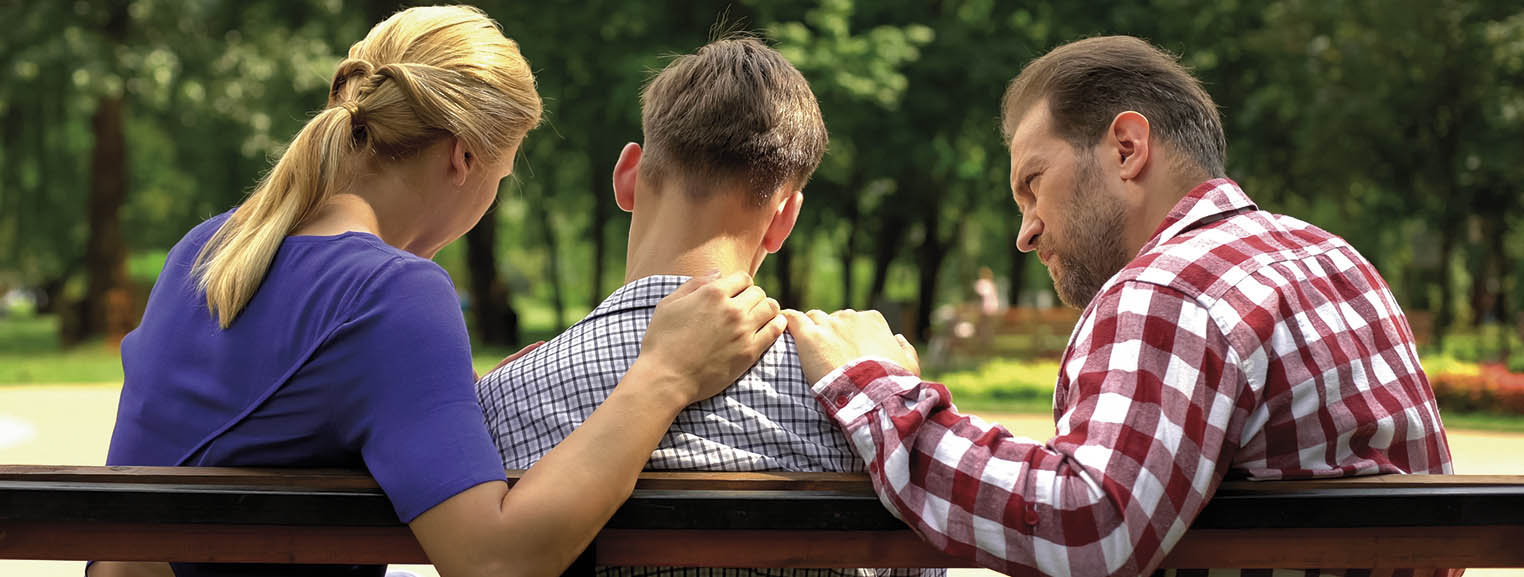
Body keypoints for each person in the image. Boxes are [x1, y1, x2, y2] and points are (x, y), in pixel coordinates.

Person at [94, 7, 786, 577]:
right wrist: (665, 374)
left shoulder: (211, 245)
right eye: (502, 176)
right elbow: (496, 561)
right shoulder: (393, 293)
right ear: (463, 157)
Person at [783, 36, 1454, 577]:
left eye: (1032, 185)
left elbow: (1089, 525)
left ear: (1127, 148)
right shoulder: (1333, 258)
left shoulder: (1169, 288)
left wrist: (878, 389)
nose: (1025, 232)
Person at [475, 36, 941, 577]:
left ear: (628, 176)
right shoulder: (859, 411)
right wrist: (892, 392)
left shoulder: (500, 401)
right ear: (785, 218)